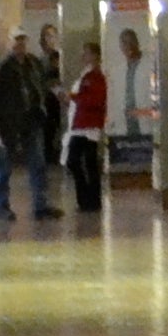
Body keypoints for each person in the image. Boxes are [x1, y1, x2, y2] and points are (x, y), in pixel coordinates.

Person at [0, 31, 52, 222]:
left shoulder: (33, 64)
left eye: (23, 41)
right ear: (10, 45)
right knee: (3, 167)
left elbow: (39, 87)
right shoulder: (2, 68)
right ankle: (2, 207)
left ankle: (41, 205)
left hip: (31, 121)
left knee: (37, 164)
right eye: (16, 42)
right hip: (8, 125)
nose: (20, 45)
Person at [66, 45, 110, 215]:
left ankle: (89, 198)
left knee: (78, 161)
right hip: (82, 122)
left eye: (86, 53)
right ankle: (88, 199)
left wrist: (73, 97)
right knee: (87, 162)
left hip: (88, 124)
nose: (83, 56)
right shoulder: (87, 75)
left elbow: (94, 100)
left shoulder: (96, 77)